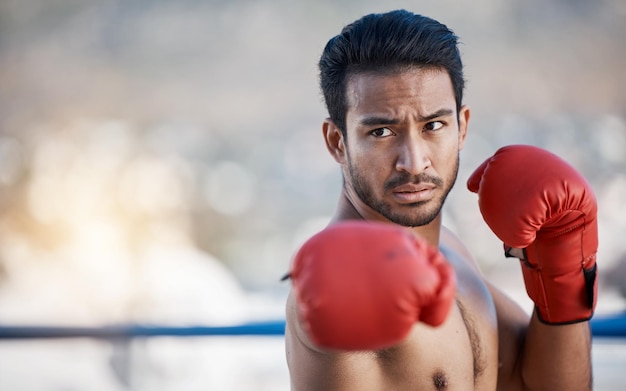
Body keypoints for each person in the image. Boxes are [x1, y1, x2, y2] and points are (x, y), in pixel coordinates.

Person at [283, 9, 597, 391]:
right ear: (337, 142)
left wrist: (564, 278)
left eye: (433, 125)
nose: (414, 161)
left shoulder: (451, 252)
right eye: (381, 131)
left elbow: (536, 385)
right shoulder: (339, 278)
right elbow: (323, 300)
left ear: (462, 126)